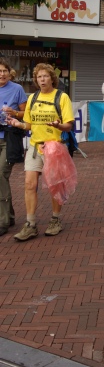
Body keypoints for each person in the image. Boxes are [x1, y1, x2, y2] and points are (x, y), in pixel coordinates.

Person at [7, 63, 75, 241]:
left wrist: (58, 125)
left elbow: (69, 125)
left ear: (52, 78)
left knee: (55, 185)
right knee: (30, 185)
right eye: (39, 77)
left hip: (55, 148)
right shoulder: (33, 98)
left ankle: (55, 219)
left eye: (45, 76)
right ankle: (30, 224)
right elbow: (29, 124)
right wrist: (18, 124)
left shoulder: (62, 97)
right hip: (35, 147)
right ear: (36, 80)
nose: (42, 79)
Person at [0, 58, 27, 235]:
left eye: (4, 71)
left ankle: (2, 221)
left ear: (10, 73)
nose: (1, 74)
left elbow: (26, 114)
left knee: (1, 174)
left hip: (9, 137)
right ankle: (9, 216)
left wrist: (14, 113)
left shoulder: (17, 89)